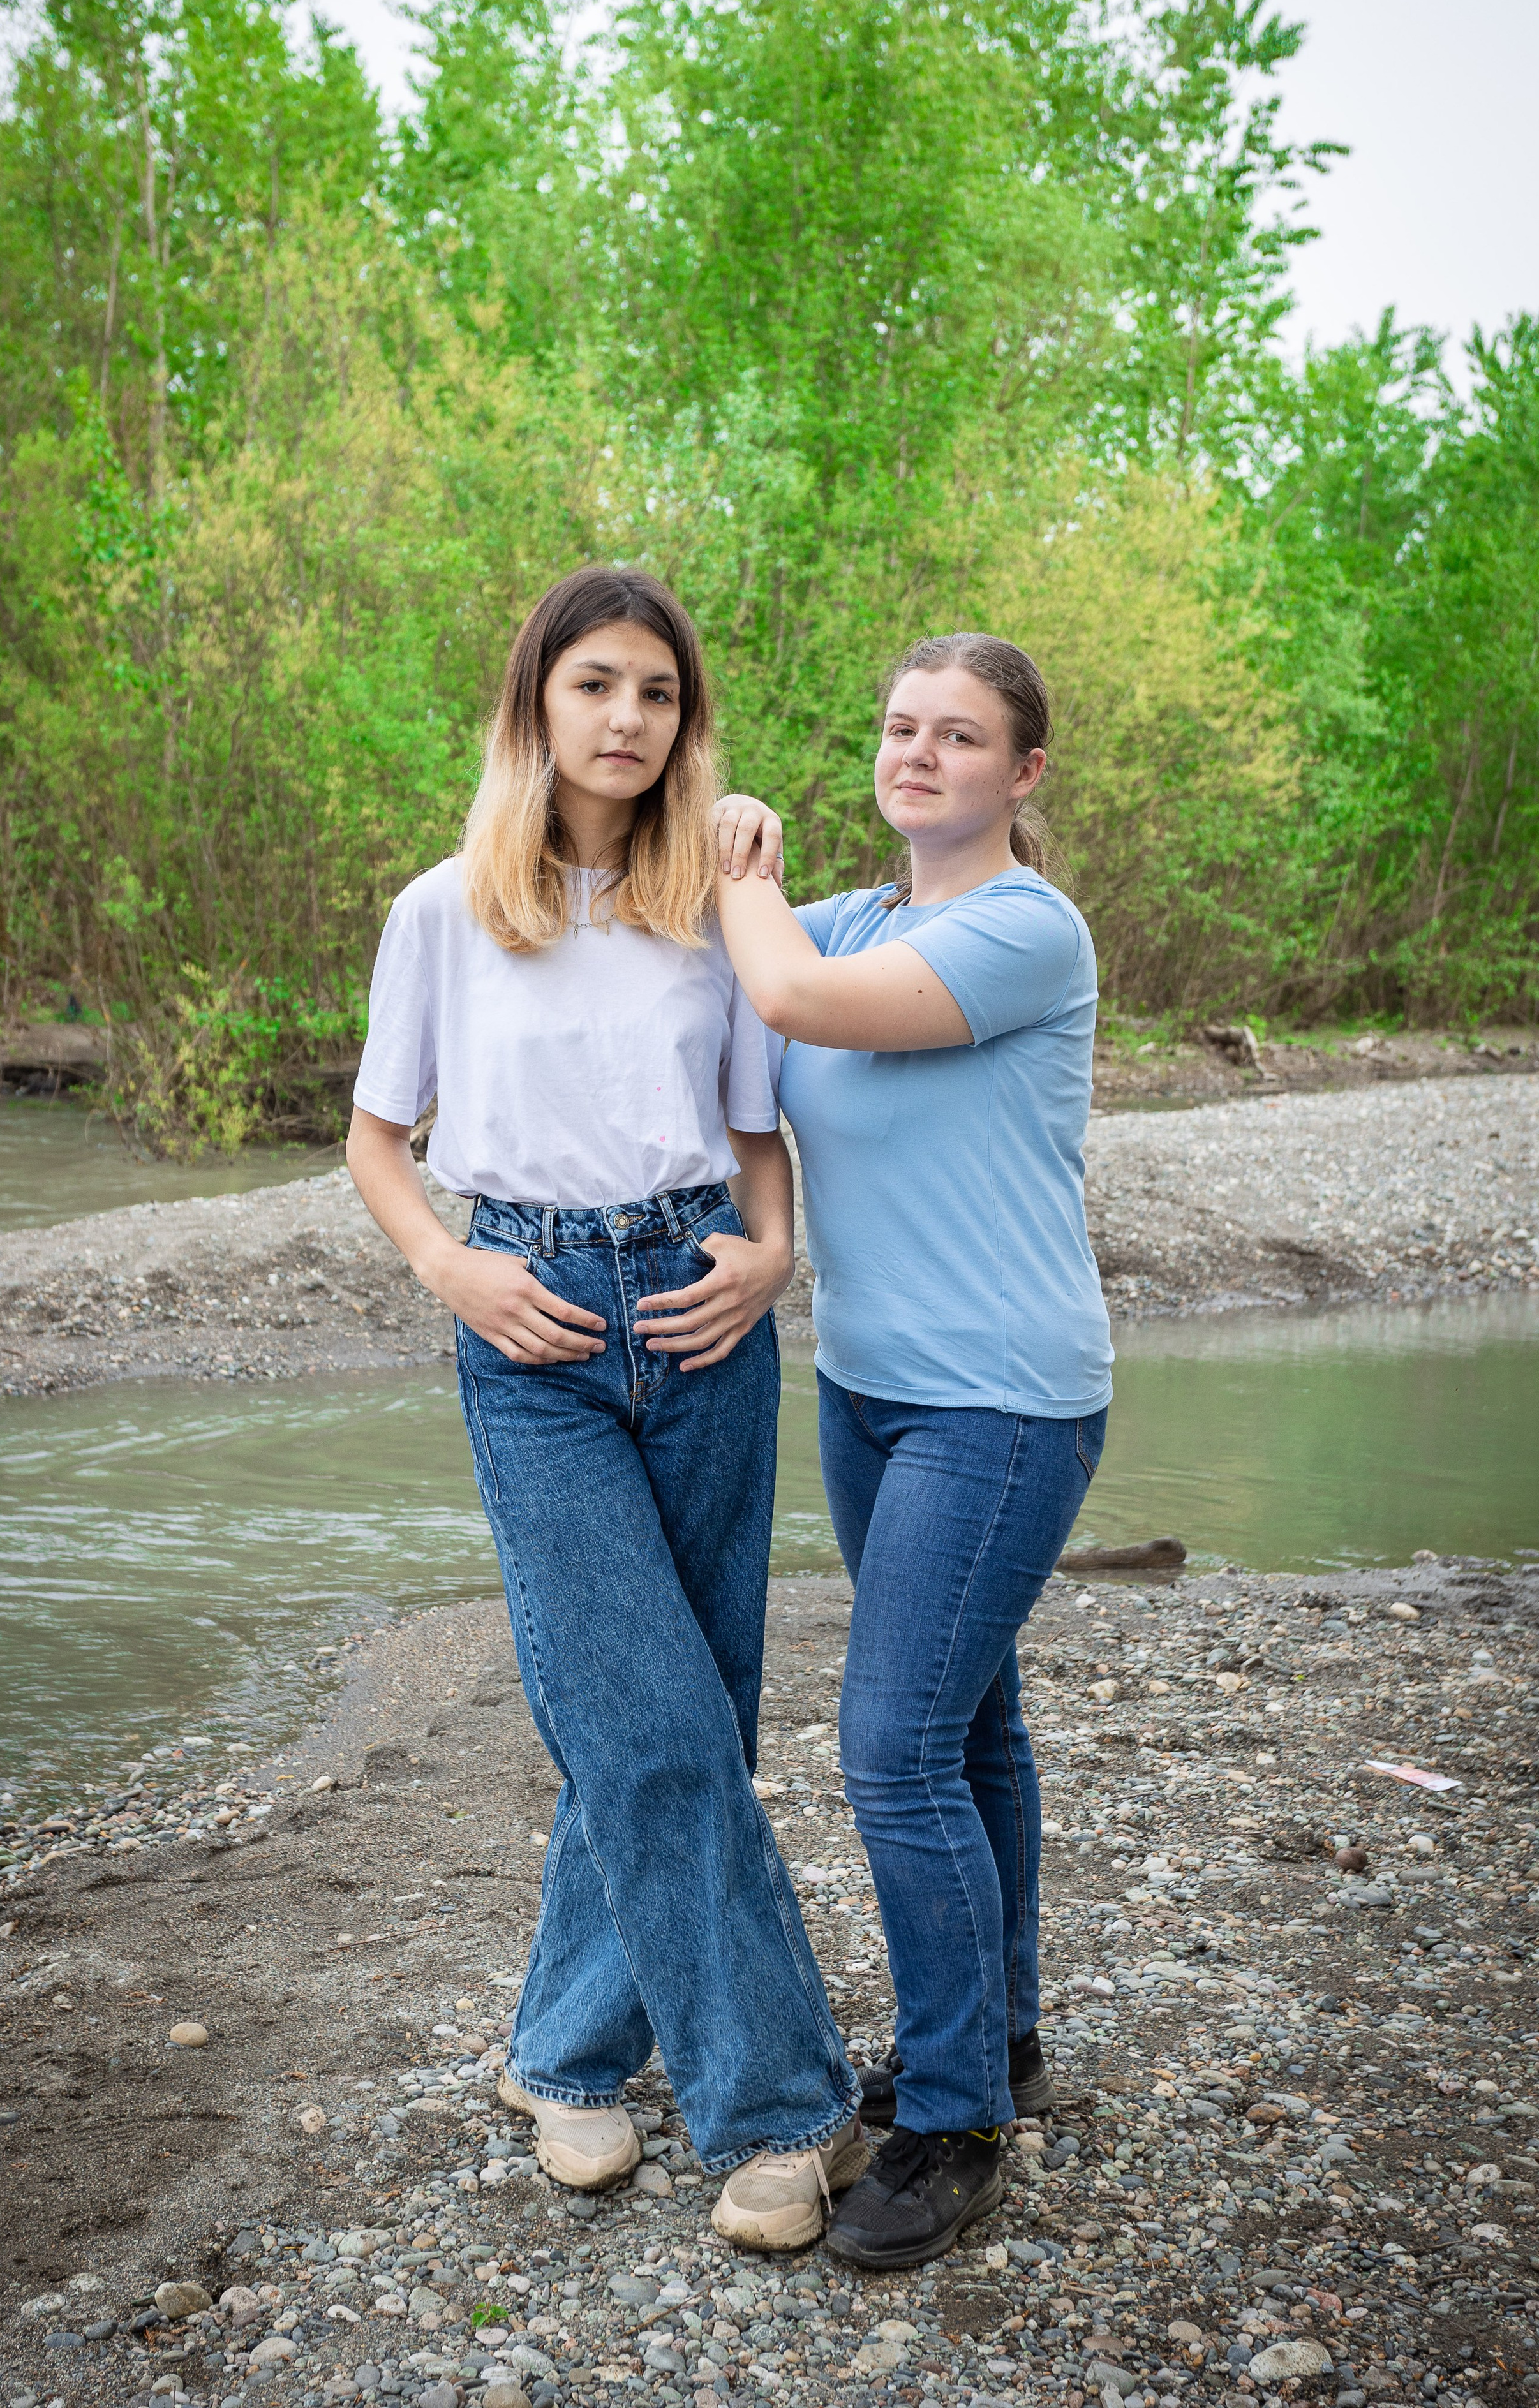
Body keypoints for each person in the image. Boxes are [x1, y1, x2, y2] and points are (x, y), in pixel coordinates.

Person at [346, 564, 863, 2252]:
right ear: (537, 706)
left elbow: (761, 1129)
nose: (628, 718)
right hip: (533, 1328)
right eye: (597, 687)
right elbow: (376, 1137)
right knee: (642, 1723)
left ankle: (566, 2053)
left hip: (704, 1310)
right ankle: (784, 2111)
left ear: (683, 721)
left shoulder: (712, 908)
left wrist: (773, 1254)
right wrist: (453, 1270)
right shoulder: (443, 909)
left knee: (681, 1716)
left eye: (658, 692)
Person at [711, 630, 1113, 2269]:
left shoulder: (1026, 928)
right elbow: (710, 954)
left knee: (888, 1751)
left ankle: (950, 2122)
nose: (918, 753)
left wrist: (743, 856)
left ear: (1020, 776)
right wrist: (707, 827)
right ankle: (996, 2038)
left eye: (958, 736)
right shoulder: (861, 913)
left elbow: (785, 996)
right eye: (897, 727)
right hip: (870, 1391)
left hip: (1001, 1403)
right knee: (970, 1730)